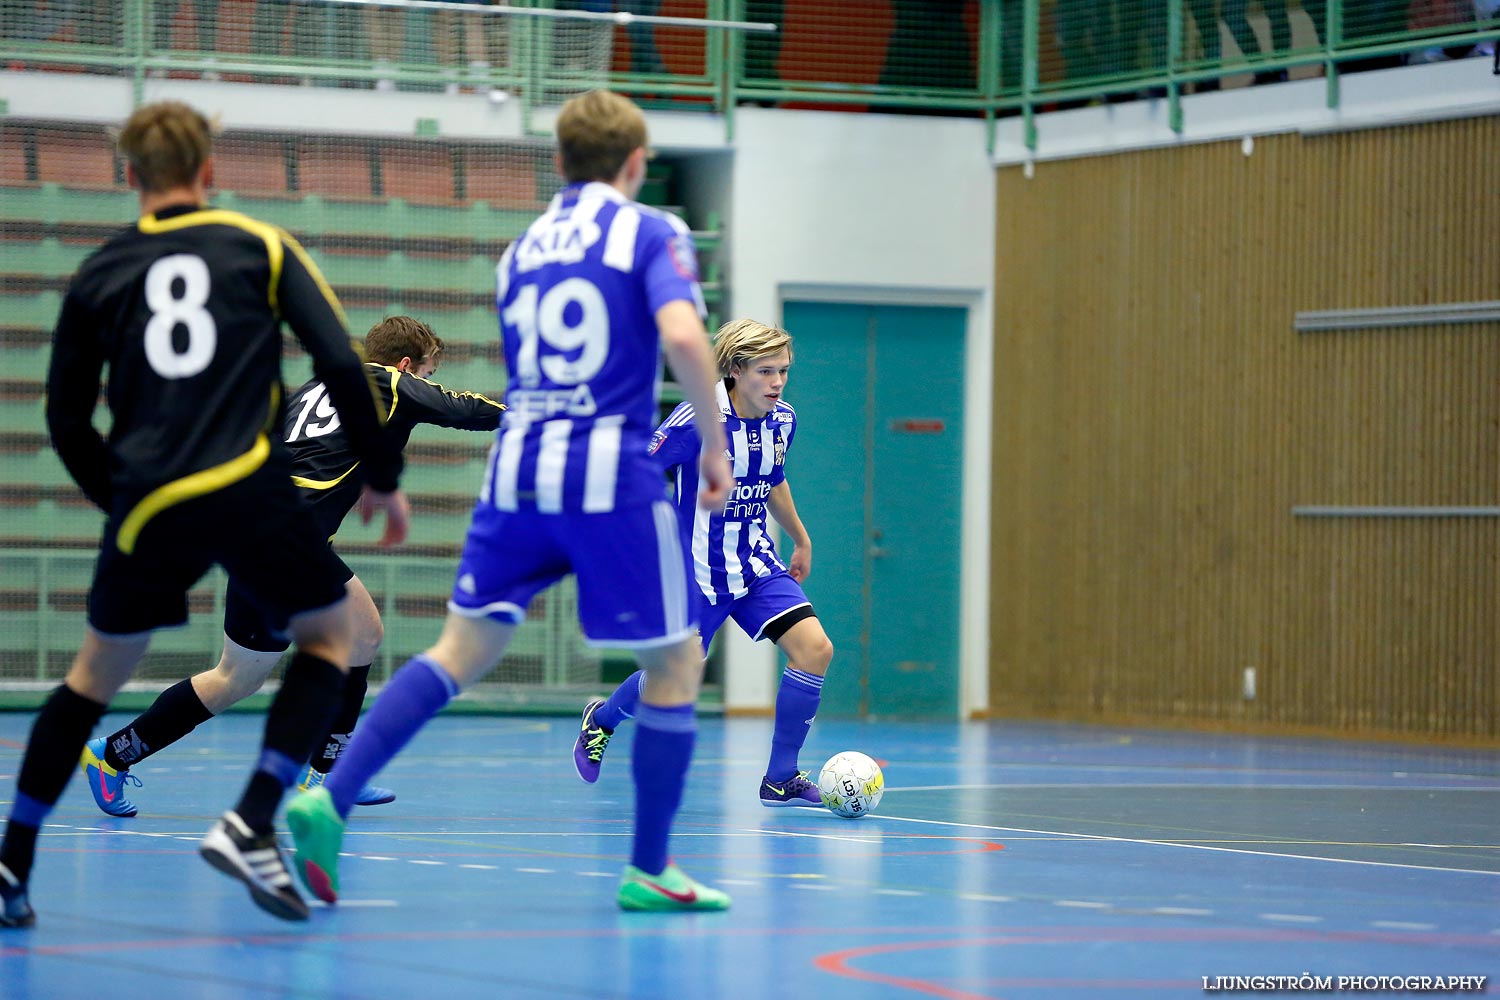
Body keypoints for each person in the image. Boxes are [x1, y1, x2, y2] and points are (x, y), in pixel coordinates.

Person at [284, 89, 734, 913]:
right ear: (636, 164)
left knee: (458, 653)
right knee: (674, 663)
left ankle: (329, 798)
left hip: (519, 468)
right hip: (605, 472)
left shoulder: (520, 249)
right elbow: (680, 336)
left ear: (559, 163)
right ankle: (650, 868)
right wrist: (712, 442)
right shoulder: (652, 231)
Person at [0, 101, 409, 929]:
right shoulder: (259, 245)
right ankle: (252, 818)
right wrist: (385, 479)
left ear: (129, 178)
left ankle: (13, 862)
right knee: (337, 640)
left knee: (90, 680)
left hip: (149, 496)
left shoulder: (99, 272)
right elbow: (341, 362)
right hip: (248, 487)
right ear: (210, 171)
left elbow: (67, 419)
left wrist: (119, 502)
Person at [80, 316, 503, 819]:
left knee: (235, 676)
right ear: (407, 365)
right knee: (363, 635)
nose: (426, 383)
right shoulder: (389, 382)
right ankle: (328, 776)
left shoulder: (314, 388)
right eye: (428, 373)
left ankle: (114, 753)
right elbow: (471, 411)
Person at [572, 319, 834, 808]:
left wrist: (800, 537)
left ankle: (780, 778)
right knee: (680, 673)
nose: (777, 383)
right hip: (690, 571)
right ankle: (602, 719)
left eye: (783, 372)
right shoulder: (695, 419)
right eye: (766, 372)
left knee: (815, 649)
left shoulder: (783, 420)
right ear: (735, 370)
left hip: (754, 561)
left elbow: (771, 479)